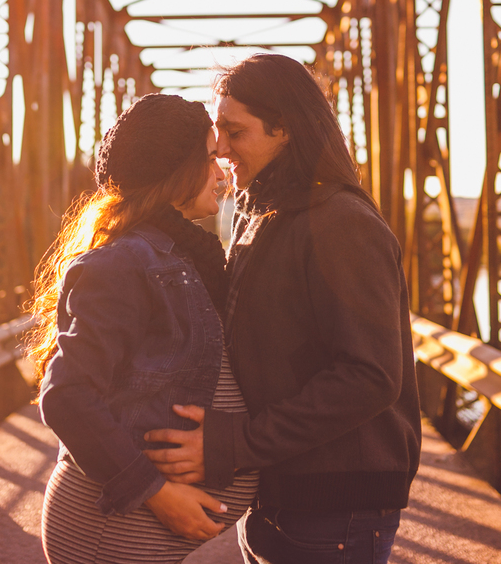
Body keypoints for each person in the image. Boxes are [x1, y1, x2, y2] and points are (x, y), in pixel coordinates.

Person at [143, 54, 422, 564]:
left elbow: (371, 375)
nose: (221, 148)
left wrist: (234, 443)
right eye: (217, 131)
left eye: (234, 131)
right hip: (283, 493)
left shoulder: (340, 220)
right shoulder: (264, 217)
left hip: (335, 505)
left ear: (285, 128)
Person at [29, 93, 259, 564]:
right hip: (108, 533)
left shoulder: (181, 257)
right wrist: (155, 491)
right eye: (211, 158)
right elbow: (67, 396)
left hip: (129, 533)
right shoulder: (126, 262)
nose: (222, 173)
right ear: (174, 168)